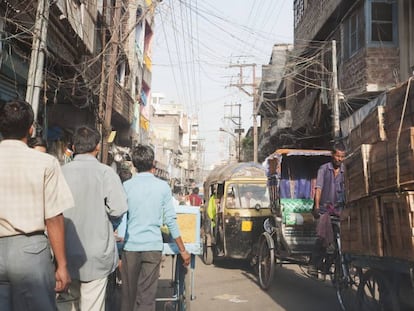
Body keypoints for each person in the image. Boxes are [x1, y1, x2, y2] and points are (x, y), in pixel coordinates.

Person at [0, 99, 74, 310]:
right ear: (31, 129)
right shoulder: (45, 163)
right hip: (30, 253)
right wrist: (62, 265)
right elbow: (53, 217)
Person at [61, 125, 127, 311]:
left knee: (67, 305)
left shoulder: (60, 171)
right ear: (97, 147)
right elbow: (118, 209)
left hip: (63, 252)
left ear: (73, 147)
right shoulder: (106, 172)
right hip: (97, 254)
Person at [121, 144, 191, 311]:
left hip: (130, 247)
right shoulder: (163, 187)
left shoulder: (126, 186)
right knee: (146, 297)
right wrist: (183, 250)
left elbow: (121, 218)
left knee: (128, 296)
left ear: (134, 164)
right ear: (153, 163)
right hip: (152, 247)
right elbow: (171, 221)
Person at [308, 143, 346, 277]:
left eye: (342, 157)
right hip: (324, 209)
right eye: (338, 156)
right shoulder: (324, 169)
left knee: (339, 242)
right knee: (322, 237)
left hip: (339, 210)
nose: (340, 159)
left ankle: (329, 265)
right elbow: (318, 188)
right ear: (332, 155)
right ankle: (313, 263)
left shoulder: (344, 171)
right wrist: (317, 206)